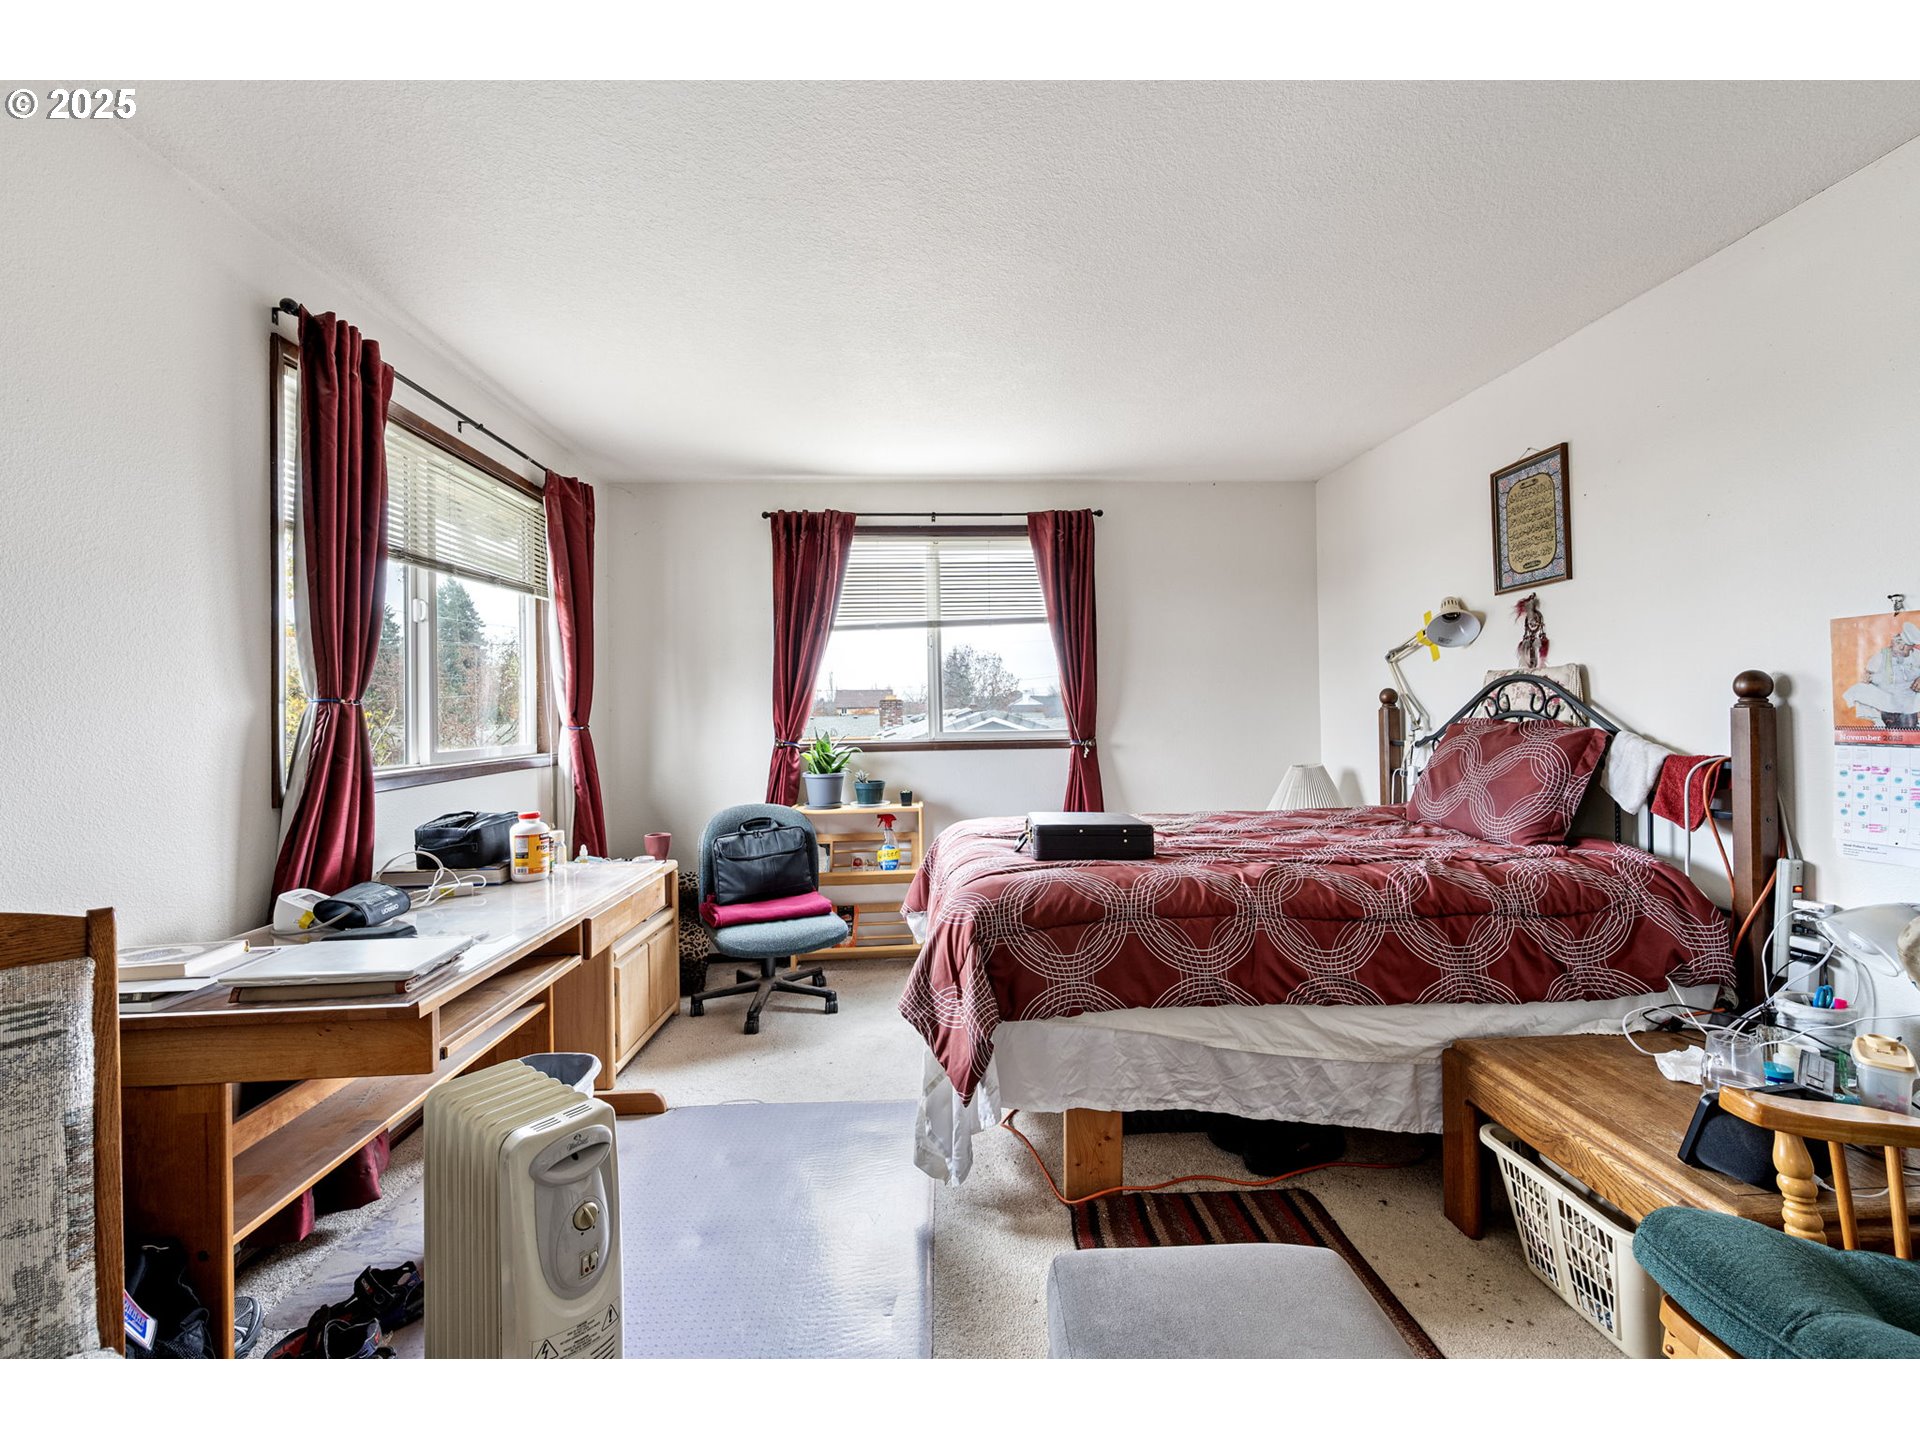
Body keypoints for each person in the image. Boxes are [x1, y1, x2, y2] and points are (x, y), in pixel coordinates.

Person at [1845, 621, 1920, 730]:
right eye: (1899, 644)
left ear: (1912, 646)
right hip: (1888, 702)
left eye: (1906, 647)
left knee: (1908, 730)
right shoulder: (1881, 657)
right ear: (1894, 643)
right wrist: (1866, 677)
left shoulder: (1917, 656)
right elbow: (1866, 675)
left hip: (1910, 703)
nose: (1901, 648)